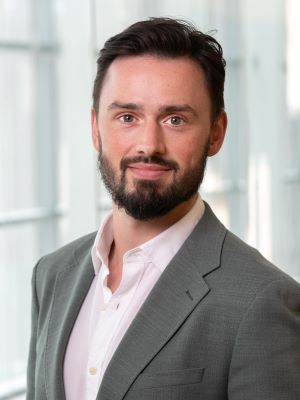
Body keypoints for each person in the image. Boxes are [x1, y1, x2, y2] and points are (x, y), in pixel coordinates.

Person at [26, 17, 300, 400]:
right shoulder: (52, 275)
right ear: (95, 128)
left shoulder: (262, 303)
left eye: (175, 119)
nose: (148, 144)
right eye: (127, 117)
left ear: (216, 133)